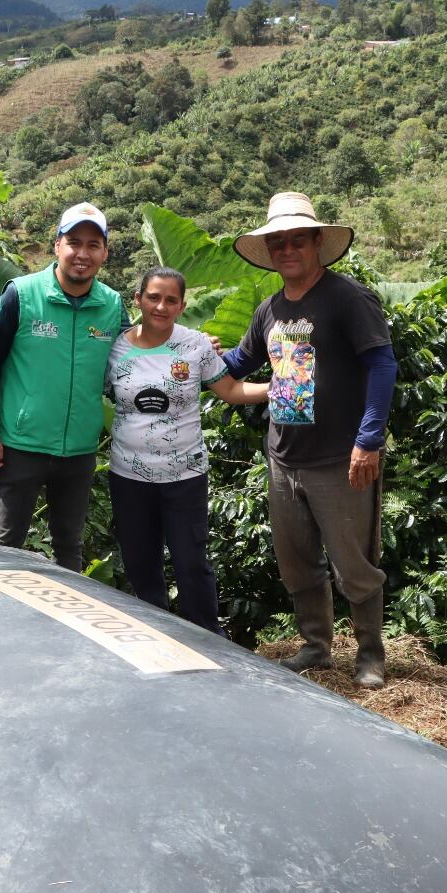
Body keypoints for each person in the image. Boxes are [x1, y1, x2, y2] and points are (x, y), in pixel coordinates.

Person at [223, 192, 397, 689]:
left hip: (339, 458)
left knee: (353, 564)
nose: (287, 249)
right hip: (283, 457)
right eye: (278, 242)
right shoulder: (270, 309)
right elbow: (241, 364)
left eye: (297, 239)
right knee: (297, 562)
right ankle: (317, 647)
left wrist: (369, 440)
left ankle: (370, 654)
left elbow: (382, 365)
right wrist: (195, 353)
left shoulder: (347, 298)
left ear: (317, 241)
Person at [106, 267, 267, 633]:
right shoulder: (115, 348)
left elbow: (231, 390)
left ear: (182, 305)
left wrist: (280, 387)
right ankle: (155, 639)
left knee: (191, 563)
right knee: (140, 564)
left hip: (185, 476)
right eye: (153, 297)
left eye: (171, 300)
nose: (161, 306)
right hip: (128, 477)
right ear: (139, 300)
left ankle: (209, 639)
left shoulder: (195, 345)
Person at [0, 202, 127, 572]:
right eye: (74, 242)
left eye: (93, 245)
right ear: (56, 245)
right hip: (20, 446)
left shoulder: (112, 305)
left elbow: (133, 363)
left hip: (78, 450)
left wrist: (189, 348)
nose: (82, 253)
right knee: (3, 547)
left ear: (104, 253)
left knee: (69, 550)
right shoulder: (21, 295)